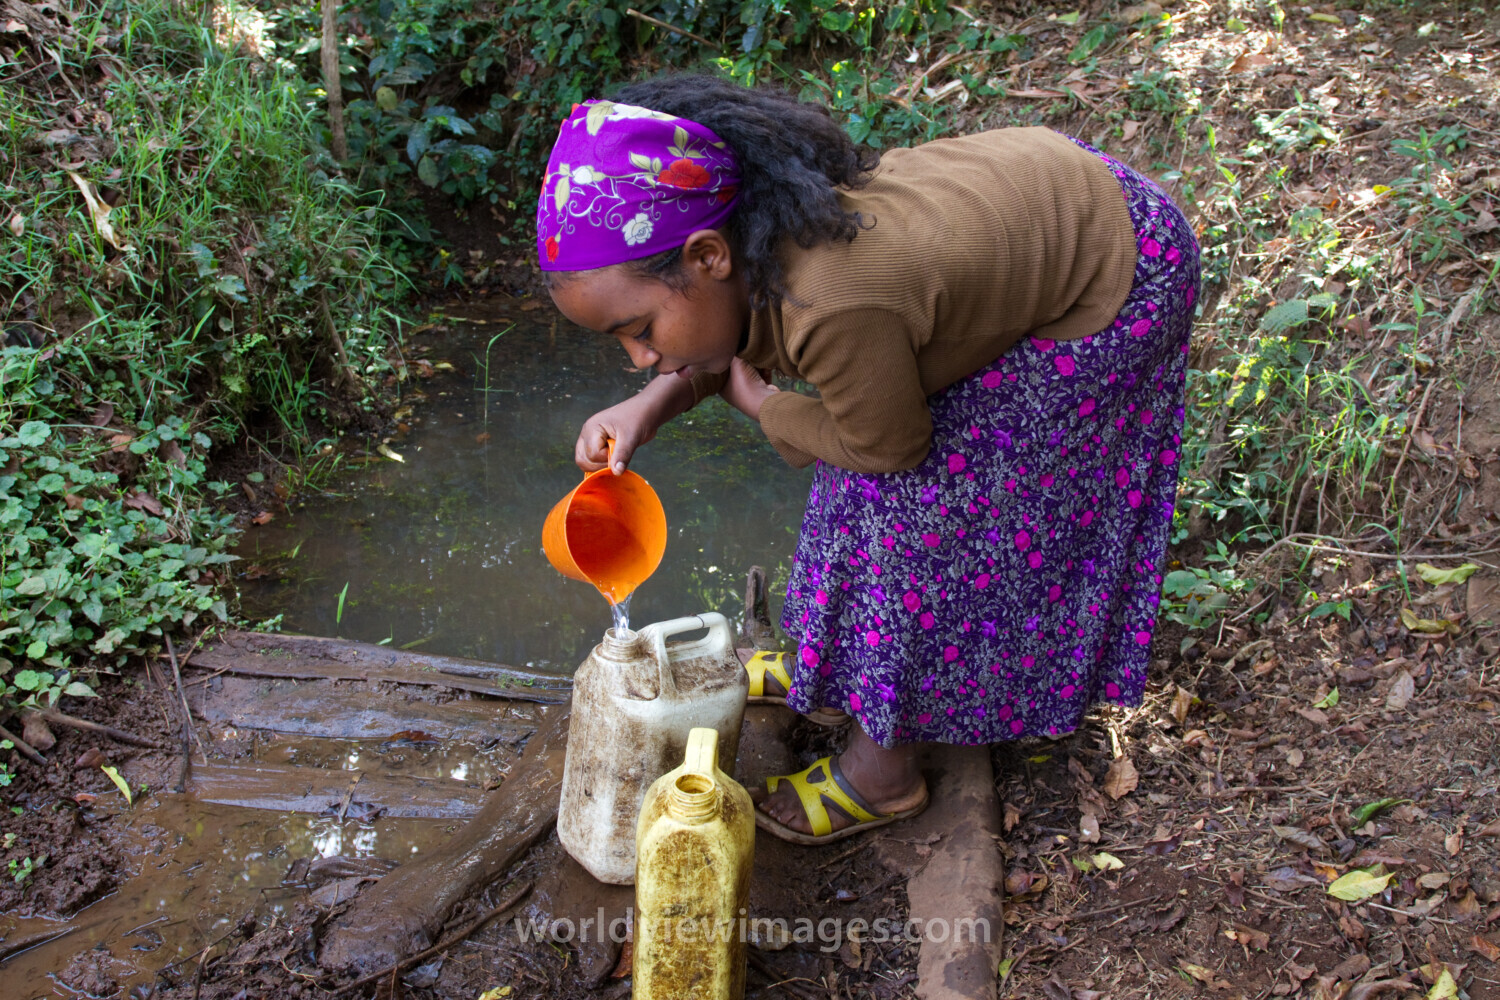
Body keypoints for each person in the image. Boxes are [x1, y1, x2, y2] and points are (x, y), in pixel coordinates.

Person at [537, 74, 1199, 845]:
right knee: (848, 445)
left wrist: (766, 407)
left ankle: (883, 770)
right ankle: (836, 664)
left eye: (640, 330)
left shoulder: (836, 299)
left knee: (923, 500)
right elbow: (731, 347)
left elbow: (888, 445)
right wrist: (651, 404)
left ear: (709, 255)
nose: (637, 356)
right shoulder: (760, 242)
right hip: (1043, 211)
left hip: (1117, 273)